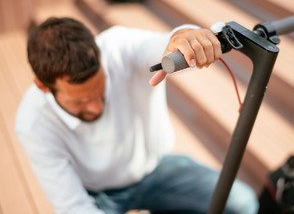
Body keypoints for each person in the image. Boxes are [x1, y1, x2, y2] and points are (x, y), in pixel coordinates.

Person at [15, 17, 258, 214]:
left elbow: (168, 43)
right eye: (79, 101)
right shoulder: (32, 121)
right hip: (98, 195)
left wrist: (186, 37)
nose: (95, 108)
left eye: (100, 92)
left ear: (100, 55)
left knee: (243, 203)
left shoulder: (118, 46)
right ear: (43, 86)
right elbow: (73, 206)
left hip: (155, 169)